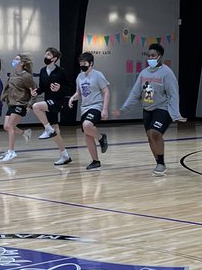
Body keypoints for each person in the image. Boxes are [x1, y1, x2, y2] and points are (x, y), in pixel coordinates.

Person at [116, 43, 185, 176]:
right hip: (147, 109)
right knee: (149, 136)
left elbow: (174, 94)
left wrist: (176, 114)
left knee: (155, 133)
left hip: (162, 108)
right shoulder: (144, 73)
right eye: (148, 56)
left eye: (153, 55)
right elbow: (135, 93)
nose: (150, 58)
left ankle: (161, 163)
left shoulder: (167, 73)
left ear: (160, 56)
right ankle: (159, 162)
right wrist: (123, 109)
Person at [31, 46, 74, 167]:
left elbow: (70, 88)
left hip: (57, 102)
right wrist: (36, 92)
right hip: (48, 102)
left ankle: (47, 128)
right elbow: (42, 88)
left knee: (36, 106)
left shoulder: (61, 71)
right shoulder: (43, 71)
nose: (46, 56)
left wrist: (60, 88)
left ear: (54, 58)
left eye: (48, 55)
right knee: (56, 132)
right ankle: (64, 155)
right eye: (45, 54)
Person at [68, 52, 110, 170]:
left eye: (85, 63)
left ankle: (101, 138)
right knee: (87, 135)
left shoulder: (98, 75)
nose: (82, 66)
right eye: (81, 64)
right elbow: (79, 93)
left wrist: (105, 109)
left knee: (87, 125)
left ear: (91, 63)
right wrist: (72, 98)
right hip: (84, 108)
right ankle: (95, 161)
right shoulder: (80, 77)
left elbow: (106, 92)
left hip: (96, 106)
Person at [0, 53, 36, 162]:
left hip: (21, 104)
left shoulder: (26, 76)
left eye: (17, 59)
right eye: (14, 58)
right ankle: (25, 133)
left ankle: (11, 151)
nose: (14, 60)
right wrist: (3, 97)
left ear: (23, 63)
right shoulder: (13, 73)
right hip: (11, 103)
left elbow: (34, 91)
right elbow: (7, 87)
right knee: (6, 126)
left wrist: (30, 105)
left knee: (10, 126)